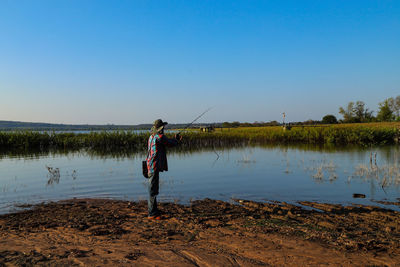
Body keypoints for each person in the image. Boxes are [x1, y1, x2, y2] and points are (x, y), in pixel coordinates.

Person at [146, 119, 182, 220]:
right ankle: (152, 213)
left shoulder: (151, 137)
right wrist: (177, 140)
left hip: (149, 165)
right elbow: (170, 143)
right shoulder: (159, 137)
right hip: (154, 165)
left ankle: (153, 210)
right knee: (153, 190)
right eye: (163, 128)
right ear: (160, 129)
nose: (164, 130)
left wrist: (174, 140)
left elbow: (166, 142)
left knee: (153, 189)